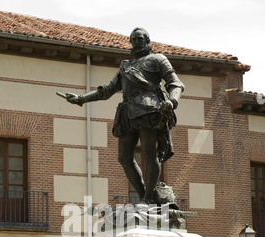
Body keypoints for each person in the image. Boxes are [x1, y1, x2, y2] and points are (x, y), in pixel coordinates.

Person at [59, 27, 184, 205]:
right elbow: (108, 90)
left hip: (149, 109)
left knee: (149, 154)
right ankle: (144, 197)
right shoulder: (126, 65)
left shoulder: (158, 59)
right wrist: (81, 99)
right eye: (133, 39)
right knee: (124, 157)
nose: (137, 41)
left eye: (140, 38)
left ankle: (148, 197)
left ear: (148, 40)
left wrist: (172, 102)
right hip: (127, 113)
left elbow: (175, 83)